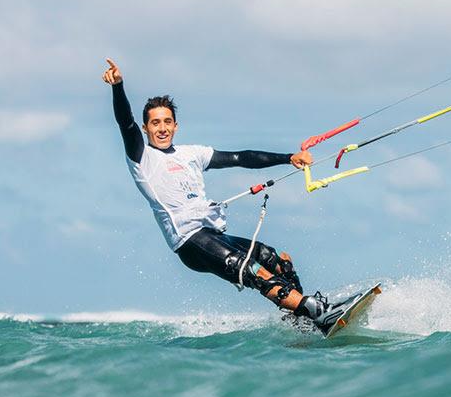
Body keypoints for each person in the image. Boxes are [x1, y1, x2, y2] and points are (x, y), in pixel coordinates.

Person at [102, 58, 339, 333]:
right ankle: (316, 311)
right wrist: (118, 87)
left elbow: (240, 157)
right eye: (155, 123)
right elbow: (125, 123)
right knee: (250, 269)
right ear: (146, 129)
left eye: (167, 121)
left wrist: (289, 158)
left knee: (274, 258)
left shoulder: (191, 154)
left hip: (212, 234)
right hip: (190, 242)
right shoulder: (142, 157)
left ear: (176, 125)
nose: (162, 128)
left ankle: (304, 323)